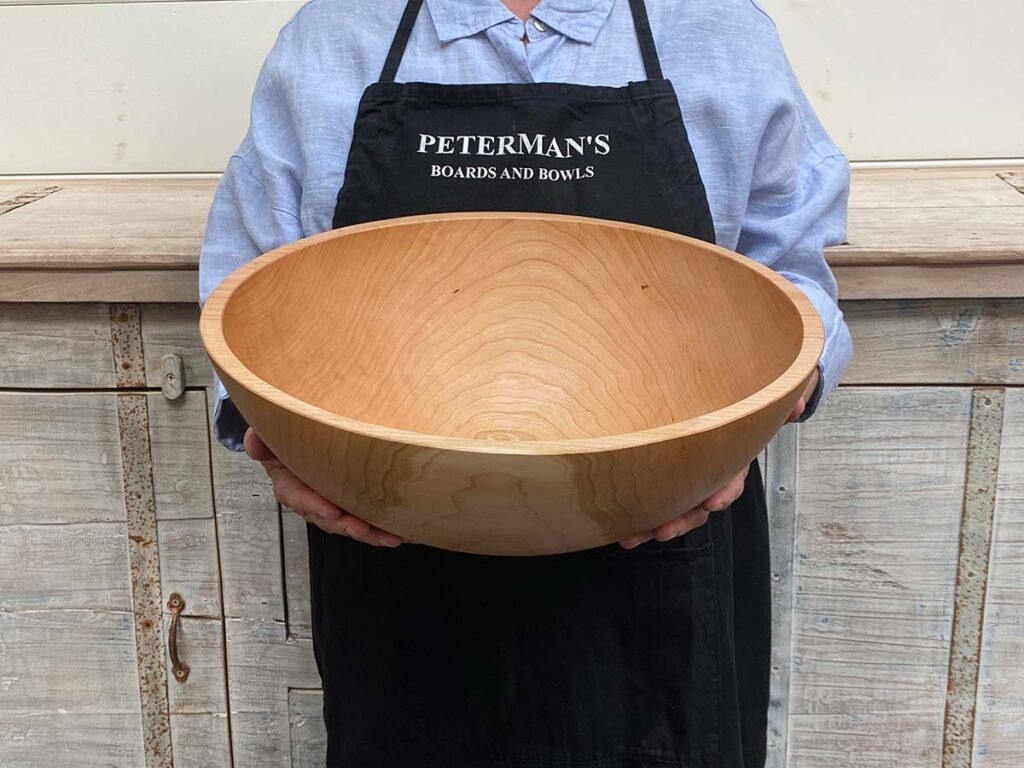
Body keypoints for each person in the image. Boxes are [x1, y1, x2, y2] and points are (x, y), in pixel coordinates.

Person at [198, 0, 854, 765]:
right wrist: (268, 434)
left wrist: (763, 399)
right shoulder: (336, 35)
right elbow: (251, 292)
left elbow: (794, 281)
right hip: (394, 552)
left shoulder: (717, 28)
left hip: (663, 566)